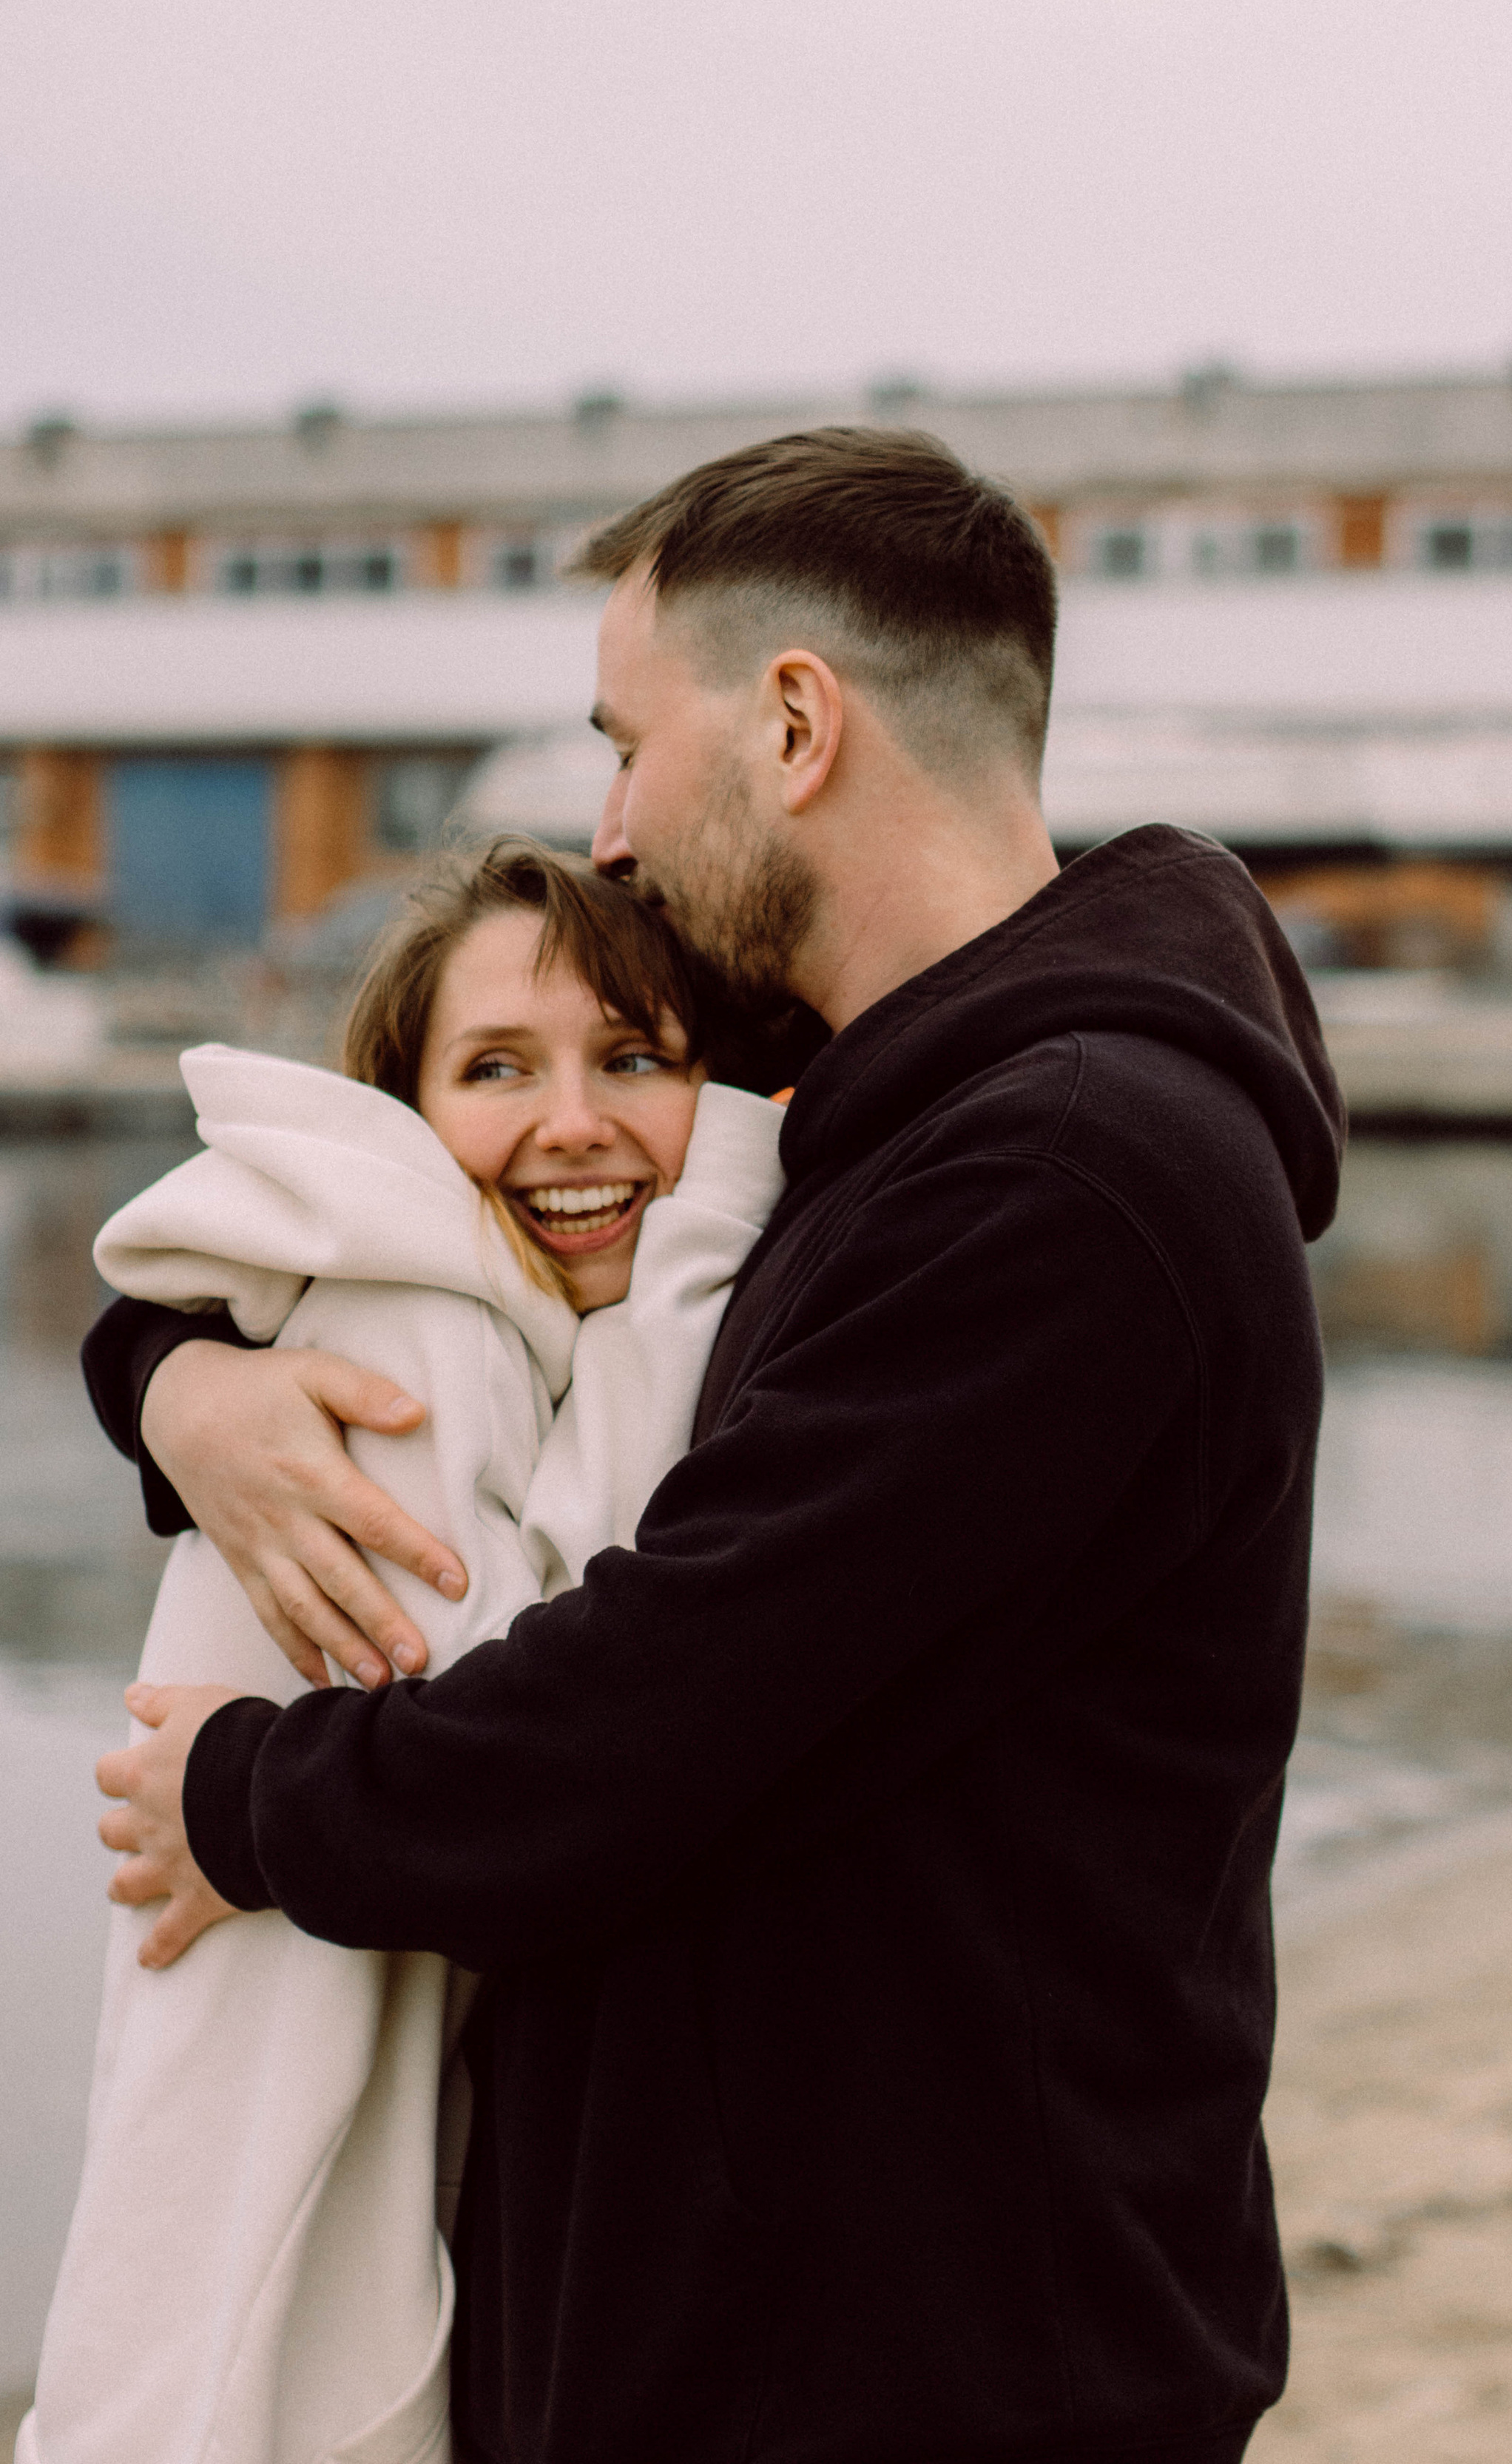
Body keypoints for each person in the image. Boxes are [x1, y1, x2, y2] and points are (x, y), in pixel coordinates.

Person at [84, 426, 1345, 2464]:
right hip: (745, 2341)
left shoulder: (1072, 1183)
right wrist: (174, 1376)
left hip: (926, 2373)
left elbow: (660, 1713)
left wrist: (248, 1798)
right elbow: (420, 1205)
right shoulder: (872, 1097)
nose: (611, 829)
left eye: (625, 742)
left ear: (791, 722)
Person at [27, 845, 786, 2464]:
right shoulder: (404, 1342)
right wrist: (717, 1190)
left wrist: (157, 1373)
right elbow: (562, 1709)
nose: (573, 1121)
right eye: (497, 1068)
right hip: (315, 2178)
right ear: (408, 1114)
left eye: (636, 1060)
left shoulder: (523, 1338)